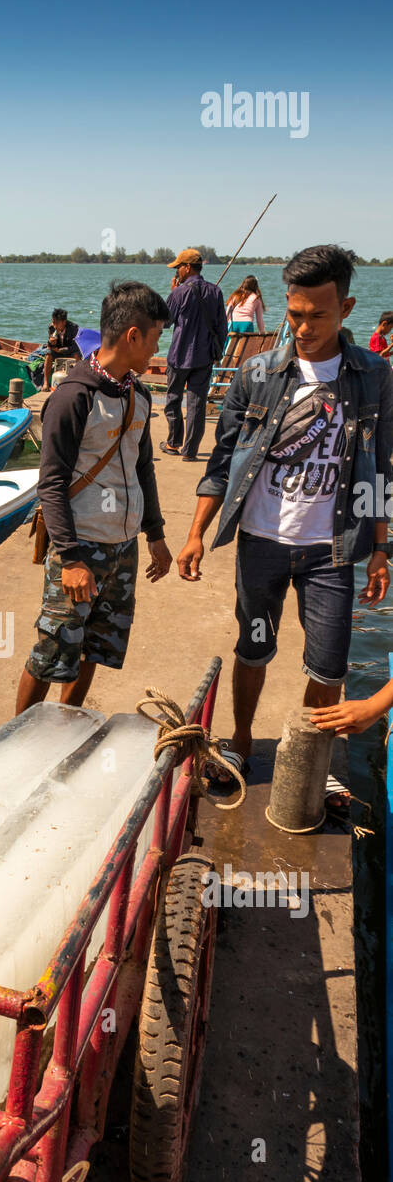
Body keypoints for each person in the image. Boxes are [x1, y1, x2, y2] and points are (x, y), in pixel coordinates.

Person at [176, 244, 393, 796]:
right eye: (295, 314)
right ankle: (242, 744)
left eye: (318, 315)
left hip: (333, 549)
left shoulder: (374, 375)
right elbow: (223, 462)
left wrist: (382, 550)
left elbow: (382, 466)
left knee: (328, 667)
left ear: (345, 308)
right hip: (262, 545)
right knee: (253, 648)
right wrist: (197, 533)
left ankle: (308, 759)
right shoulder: (256, 374)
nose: (303, 327)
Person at [16, 281, 173, 714]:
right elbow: (51, 483)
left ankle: (68, 724)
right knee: (52, 649)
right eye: (156, 337)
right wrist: (69, 558)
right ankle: (13, 739)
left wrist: (155, 534)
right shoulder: (72, 397)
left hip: (122, 548)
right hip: (81, 545)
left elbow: (143, 468)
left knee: (94, 648)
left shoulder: (138, 395)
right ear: (133, 336)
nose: (157, 349)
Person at [162, 249, 228, 461]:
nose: (176, 272)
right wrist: (218, 352)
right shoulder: (215, 292)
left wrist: (172, 292)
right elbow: (222, 328)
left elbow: (165, 322)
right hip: (204, 357)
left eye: (178, 267)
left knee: (173, 398)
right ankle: (190, 451)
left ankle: (173, 442)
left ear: (187, 267)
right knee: (197, 405)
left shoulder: (179, 293)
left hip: (179, 355)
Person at [42, 308, 81, 391]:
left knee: (77, 355)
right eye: (53, 322)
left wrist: (61, 350)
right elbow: (50, 346)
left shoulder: (74, 328)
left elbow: (76, 346)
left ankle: (76, 381)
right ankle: (45, 383)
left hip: (69, 351)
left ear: (64, 322)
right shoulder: (51, 327)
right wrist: (51, 342)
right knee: (48, 354)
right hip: (57, 351)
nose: (54, 325)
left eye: (56, 323)